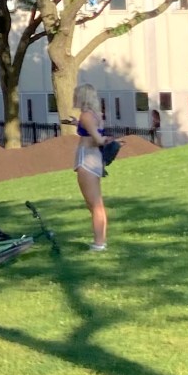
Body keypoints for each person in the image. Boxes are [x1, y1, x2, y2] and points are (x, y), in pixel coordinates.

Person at [72, 83, 112, 252]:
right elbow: (92, 131)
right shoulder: (96, 115)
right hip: (95, 159)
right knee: (97, 204)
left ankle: (99, 243)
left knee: (93, 205)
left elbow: (97, 138)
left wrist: (109, 140)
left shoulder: (86, 115)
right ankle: (100, 241)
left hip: (86, 159)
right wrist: (77, 123)